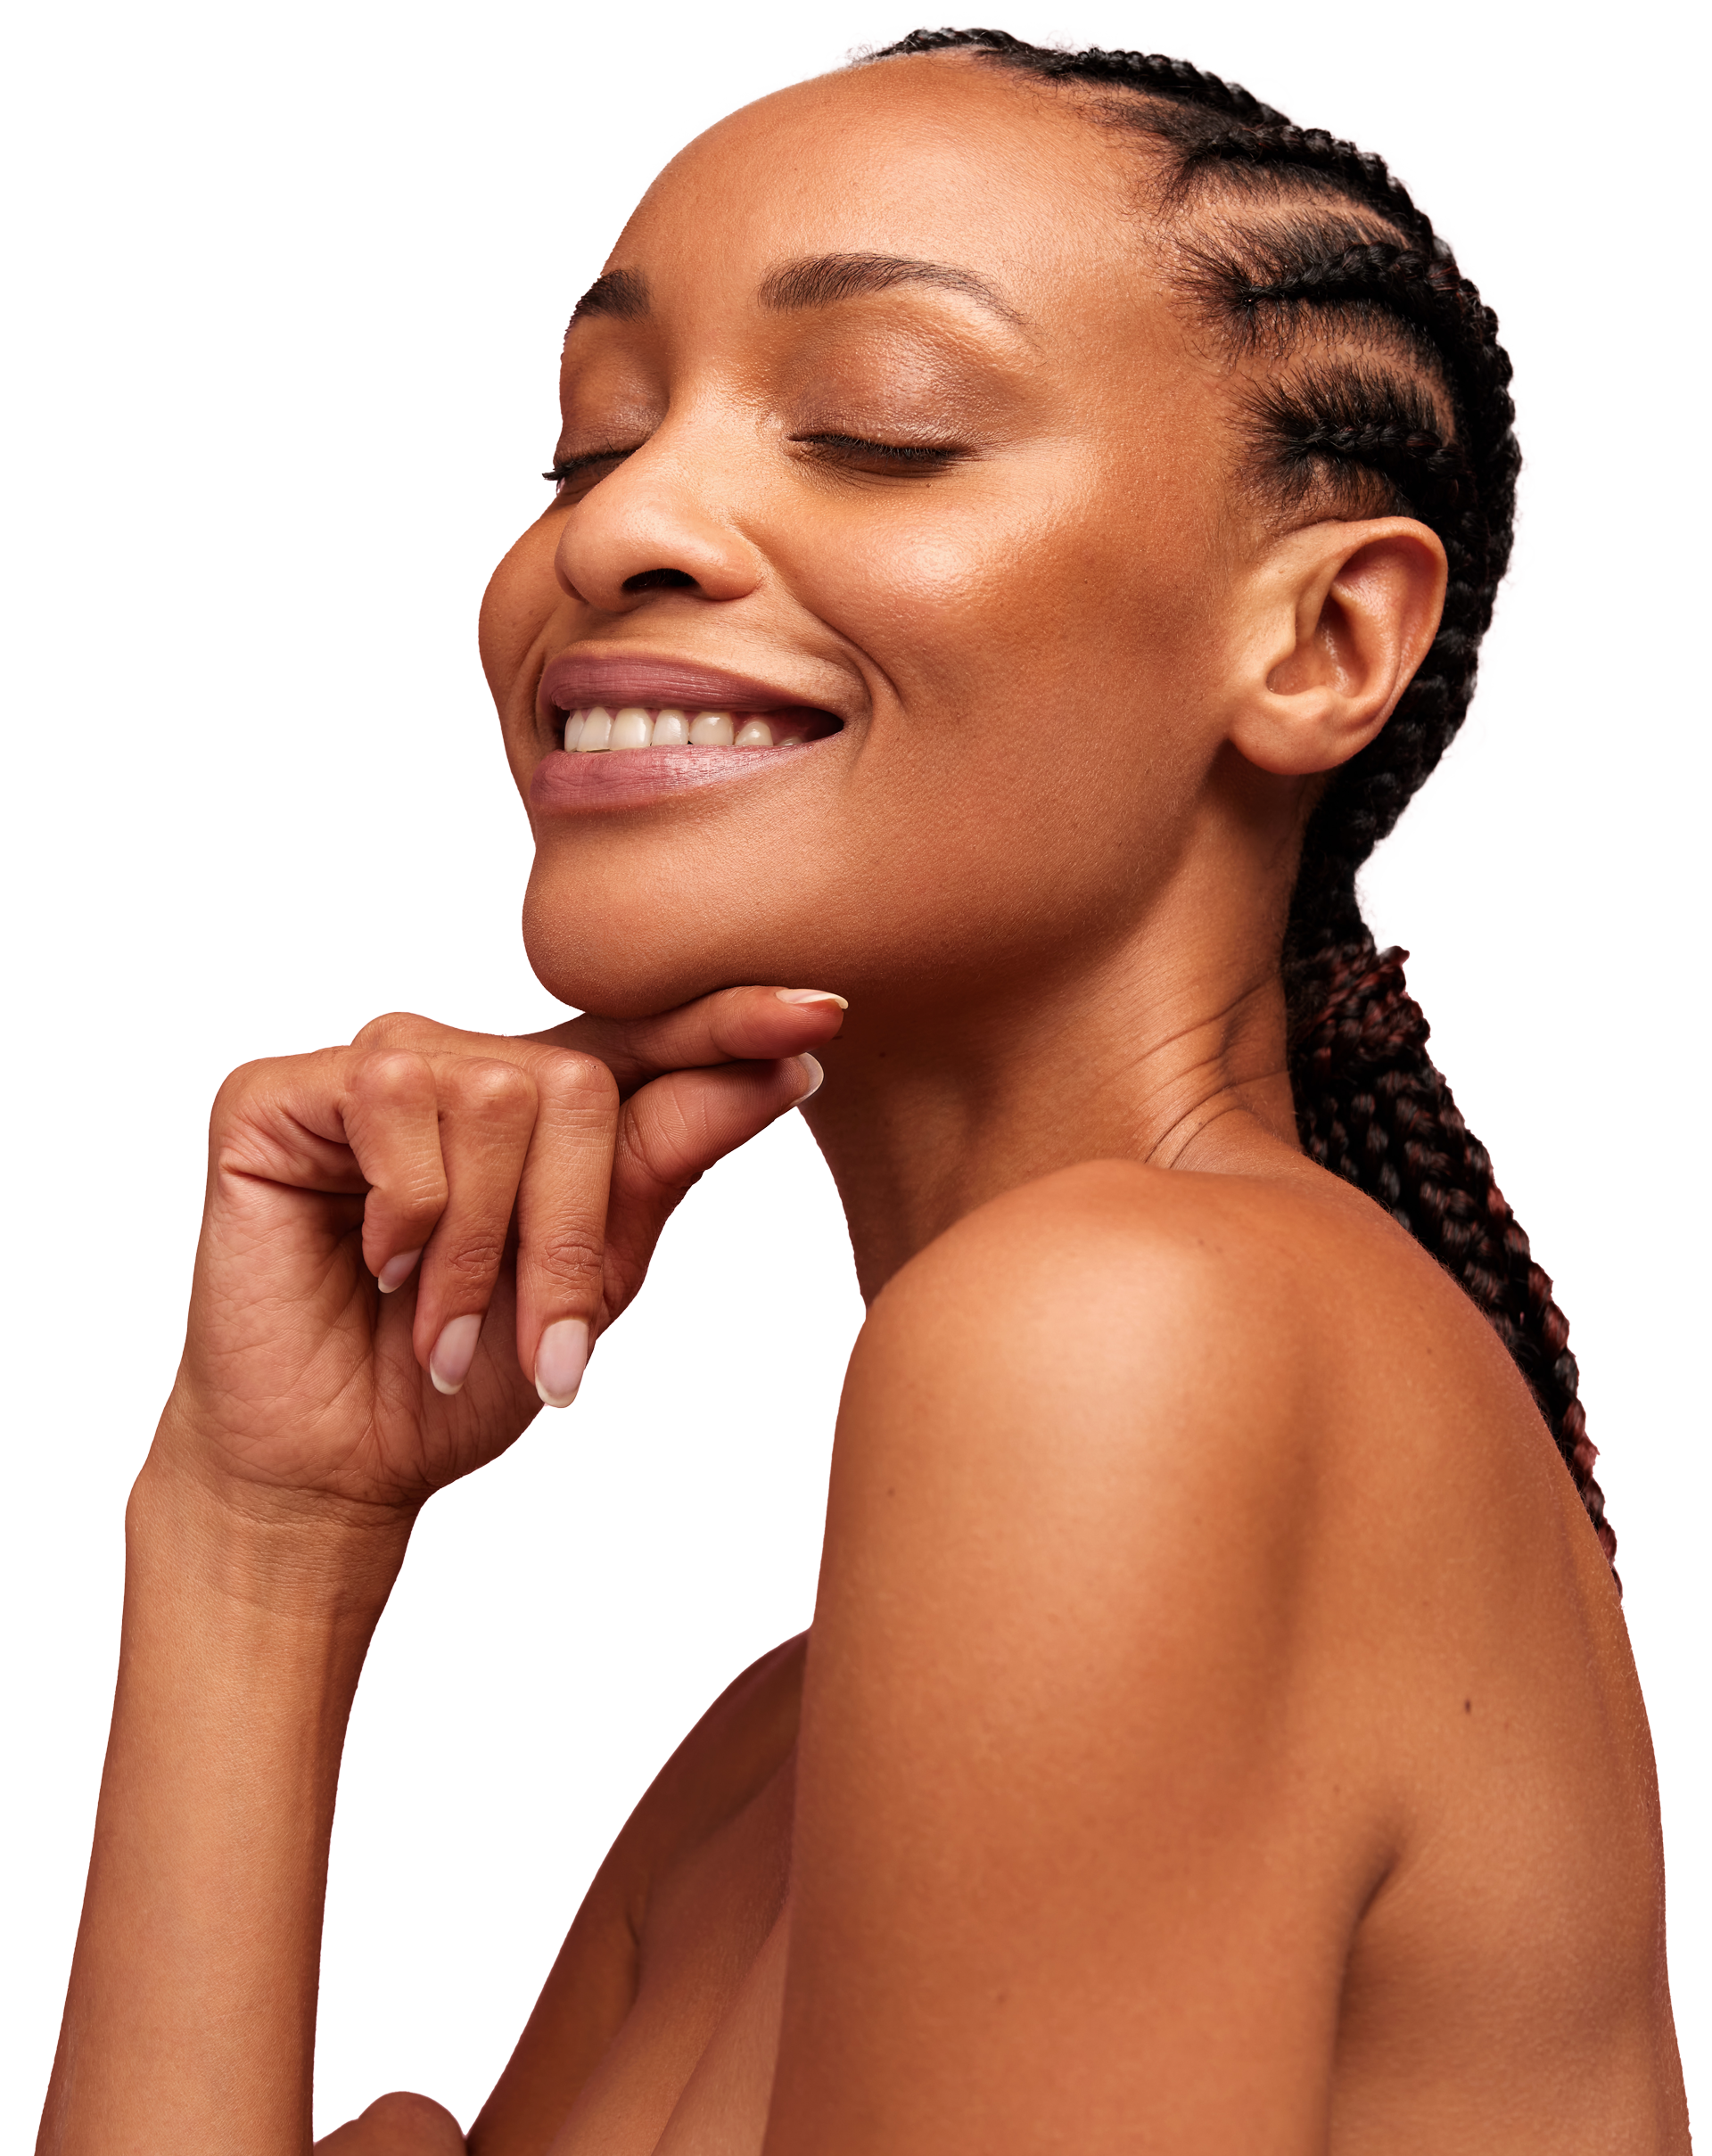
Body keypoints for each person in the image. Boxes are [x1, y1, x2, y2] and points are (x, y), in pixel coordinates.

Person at [38, 29, 1687, 2154]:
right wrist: (258, 1541)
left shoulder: (1128, 1340)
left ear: (1321, 642)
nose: (622, 524)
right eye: (588, 448)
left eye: (877, 428)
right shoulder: (762, 1764)